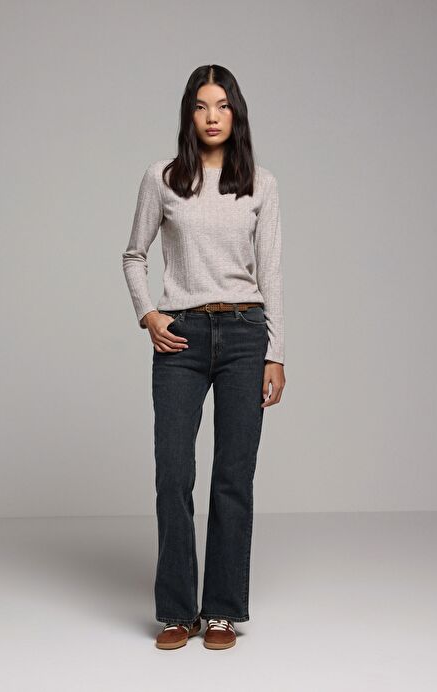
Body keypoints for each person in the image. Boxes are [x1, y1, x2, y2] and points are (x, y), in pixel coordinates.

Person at [122, 64, 285, 650]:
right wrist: (149, 314)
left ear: (235, 113)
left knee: (233, 476)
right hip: (182, 337)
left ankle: (220, 610)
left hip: (245, 334)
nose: (212, 116)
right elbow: (134, 254)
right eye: (200, 106)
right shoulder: (163, 177)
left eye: (221, 105)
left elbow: (271, 273)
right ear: (188, 115)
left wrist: (276, 353)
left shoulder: (260, 183)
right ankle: (176, 611)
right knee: (173, 474)